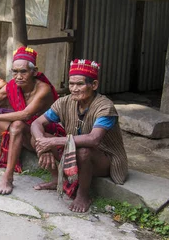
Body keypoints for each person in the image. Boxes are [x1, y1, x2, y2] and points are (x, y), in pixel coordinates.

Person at [31, 59, 128, 213]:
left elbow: (93, 139)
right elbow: (36, 123)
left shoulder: (105, 107)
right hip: (74, 148)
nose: (74, 89)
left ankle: (83, 195)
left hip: (104, 157)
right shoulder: (64, 102)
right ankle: (57, 179)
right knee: (37, 137)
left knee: (84, 151)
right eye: (71, 84)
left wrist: (53, 142)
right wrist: (44, 146)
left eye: (80, 84)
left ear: (94, 85)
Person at [0, 47, 59, 194]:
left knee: (17, 124)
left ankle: (8, 178)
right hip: (23, 131)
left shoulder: (44, 89)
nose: (18, 76)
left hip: (42, 133)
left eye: (23, 72)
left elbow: (25, 115)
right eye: (15, 72)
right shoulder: (12, 85)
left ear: (34, 72)